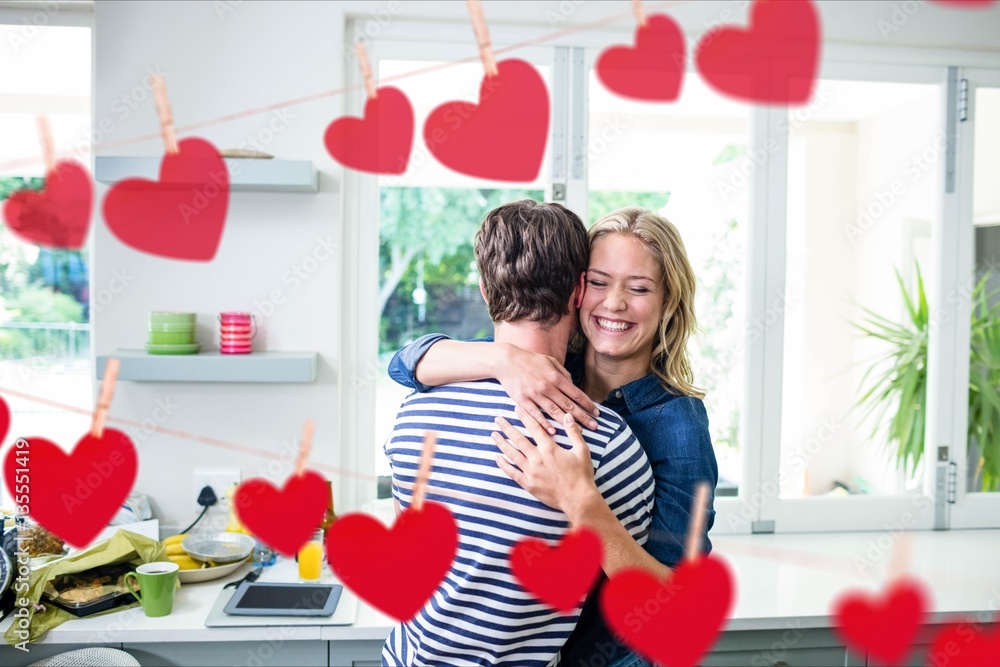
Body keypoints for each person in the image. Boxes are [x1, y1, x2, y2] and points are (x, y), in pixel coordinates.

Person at [388, 206, 719, 666]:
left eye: (639, 288)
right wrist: (502, 359)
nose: (614, 303)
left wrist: (582, 505)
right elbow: (404, 364)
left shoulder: (678, 425)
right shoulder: (530, 378)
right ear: (577, 289)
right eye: (600, 282)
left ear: (668, 303)